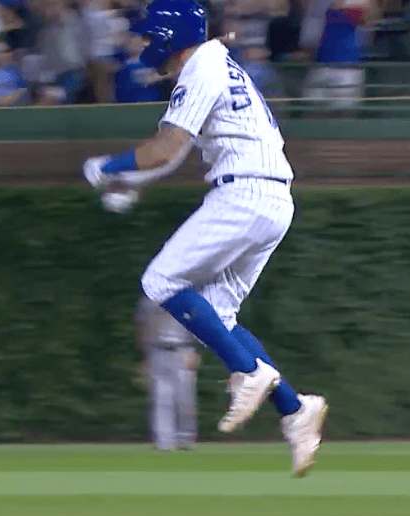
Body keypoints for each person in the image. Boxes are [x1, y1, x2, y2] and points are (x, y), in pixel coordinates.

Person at [82, 0, 327, 477]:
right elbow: (172, 154)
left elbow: (165, 148)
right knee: (218, 315)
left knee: (160, 281)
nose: (145, 42)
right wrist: (130, 178)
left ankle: (249, 371)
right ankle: (296, 410)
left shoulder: (200, 66)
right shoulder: (217, 62)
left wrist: (105, 167)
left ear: (169, 36)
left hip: (244, 194)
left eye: (151, 34)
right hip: (271, 199)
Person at [136, 295, 200, 451]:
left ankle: (185, 438)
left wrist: (196, 350)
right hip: (157, 350)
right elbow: (142, 327)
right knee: (161, 397)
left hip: (182, 349)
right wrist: (145, 356)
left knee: (185, 397)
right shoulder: (149, 300)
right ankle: (164, 441)